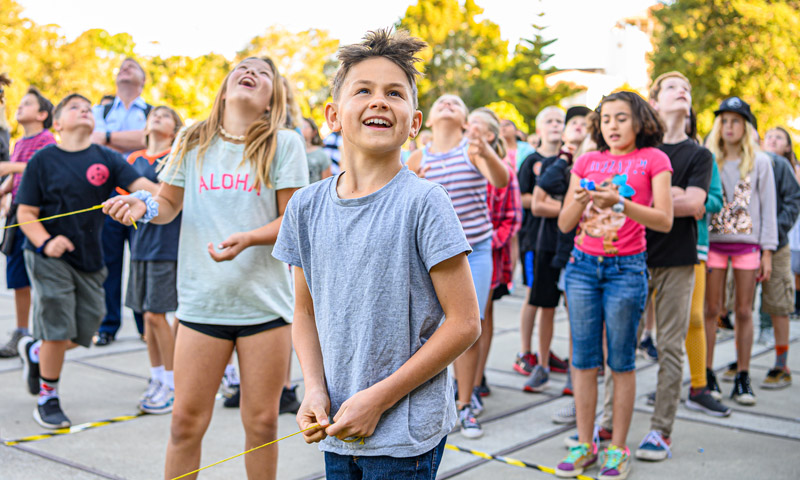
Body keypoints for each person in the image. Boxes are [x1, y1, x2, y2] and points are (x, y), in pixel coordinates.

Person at [273, 28, 480, 479]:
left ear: (415, 121)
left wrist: (378, 399)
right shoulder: (306, 206)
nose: (379, 101)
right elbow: (304, 312)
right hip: (338, 423)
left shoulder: (425, 202)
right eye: (362, 90)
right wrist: (313, 389)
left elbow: (465, 323)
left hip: (403, 436)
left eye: (394, 93)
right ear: (333, 114)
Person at [105, 56, 308, 479]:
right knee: (184, 424)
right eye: (242, 67)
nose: (250, 72)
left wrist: (249, 238)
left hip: (265, 308)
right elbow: (167, 205)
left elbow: (293, 220)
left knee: (263, 425)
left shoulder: (284, 143)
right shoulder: (193, 137)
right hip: (201, 305)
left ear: (273, 98)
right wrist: (142, 206)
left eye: (263, 72)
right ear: (225, 86)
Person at [15, 93, 157, 429]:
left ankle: (36, 353)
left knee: (87, 330)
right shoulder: (42, 160)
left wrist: (169, 192)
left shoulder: (106, 158)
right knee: (56, 325)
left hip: (91, 258)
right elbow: (25, 212)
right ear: (59, 123)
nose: (84, 110)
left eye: (87, 108)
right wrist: (46, 242)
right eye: (74, 107)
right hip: (48, 256)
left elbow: (147, 188)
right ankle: (48, 397)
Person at [554, 91, 673, 479]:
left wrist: (618, 203)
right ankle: (584, 443)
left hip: (627, 269)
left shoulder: (655, 159)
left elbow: (664, 220)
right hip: (582, 268)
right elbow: (564, 223)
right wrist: (584, 198)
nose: (613, 126)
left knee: (620, 361)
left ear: (639, 121)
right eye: (606, 119)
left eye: (621, 118)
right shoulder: (587, 161)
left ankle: (617, 448)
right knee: (584, 361)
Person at [408, 93, 508, 439]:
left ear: (466, 119)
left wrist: (486, 152)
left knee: (468, 323)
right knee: (432, 325)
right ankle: (438, 395)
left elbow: (501, 180)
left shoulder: (472, 150)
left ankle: (466, 404)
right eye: (441, 102)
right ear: (426, 119)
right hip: (430, 254)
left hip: (474, 250)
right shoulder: (417, 157)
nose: (448, 103)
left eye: (455, 102)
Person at [704, 97, 777, 406]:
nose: (729, 126)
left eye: (736, 121)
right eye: (725, 120)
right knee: (711, 310)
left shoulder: (760, 162)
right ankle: (705, 373)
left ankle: (743, 375)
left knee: (745, 310)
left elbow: (768, 208)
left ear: (745, 126)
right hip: (714, 244)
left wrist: (768, 252)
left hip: (748, 244)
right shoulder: (709, 159)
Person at [122, 106, 183, 414]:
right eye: (154, 114)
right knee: (147, 318)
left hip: (167, 245)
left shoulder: (177, 156)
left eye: (165, 115)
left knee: (159, 315)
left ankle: (173, 385)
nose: (157, 116)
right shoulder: (133, 159)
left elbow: (170, 197)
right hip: (141, 244)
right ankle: (157, 377)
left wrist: (141, 189)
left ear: (175, 128)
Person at [525, 106, 590, 394]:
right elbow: (538, 201)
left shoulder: (593, 161)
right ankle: (542, 363)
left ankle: (575, 370)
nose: (577, 126)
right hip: (548, 243)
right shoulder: (556, 163)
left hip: (581, 245)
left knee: (578, 309)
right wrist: (574, 209)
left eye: (583, 123)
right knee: (546, 305)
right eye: (572, 121)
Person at [91, 57, 151, 346]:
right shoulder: (98, 109)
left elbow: (151, 139)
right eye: (122, 65)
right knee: (109, 264)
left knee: (141, 262)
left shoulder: (152, 112)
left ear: (143, 80)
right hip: (108, 197)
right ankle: (107, 326)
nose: (125, 67)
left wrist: (109, 137)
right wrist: (133, 141)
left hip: (143, 199)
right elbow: (92, 143)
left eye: (133, 66)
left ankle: (145, 325)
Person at [739, 125, 800, 389]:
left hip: (776, 246)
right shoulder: (741, 163)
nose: (772, 140)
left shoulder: (779, 165)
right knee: (741, 305)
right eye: (769, 137)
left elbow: (793, 200)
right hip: (746, 245)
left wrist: (773, 232)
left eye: (779, 138)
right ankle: (741, 364)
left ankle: (781, 364)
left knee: (778, 304)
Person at [0, 87, 56, 358]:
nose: (19, 107)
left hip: (37, 215)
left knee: (39, 274)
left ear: (43, 114)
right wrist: (4, 190)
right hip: (15, 214)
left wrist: (10, 168)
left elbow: (45, 167)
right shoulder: (19, 143)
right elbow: (15, 174)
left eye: (27, 104)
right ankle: (21, 331)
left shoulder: (47, 139)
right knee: (17, 276)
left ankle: (42, 332)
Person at [514, 106, 568, 379]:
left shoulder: (569, 161)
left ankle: (545, 354)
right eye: (549, 121)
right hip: (535, 240)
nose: (556, 125)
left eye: (560, 120)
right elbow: (522, 196)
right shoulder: (531, 161)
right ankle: (526, 351)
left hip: (561, 240)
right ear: (539, 129)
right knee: (533, 296)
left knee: (550, 301)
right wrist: (550, 201)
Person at [471, 107, 521, 402]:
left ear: (490, 135)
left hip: (486, 255)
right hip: (453, 255)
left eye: (476, 125)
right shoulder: (452, 164)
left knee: (481, 318)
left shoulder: (502, 173)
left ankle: (475, 380)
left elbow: (511, 219)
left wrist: (486, 242)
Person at [301, 117, 332, 183]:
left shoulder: (321, 154)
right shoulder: (293, 152)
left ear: (314, 132)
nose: (301, 129)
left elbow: (327, 182)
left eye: (304, 126)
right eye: (299, 126)